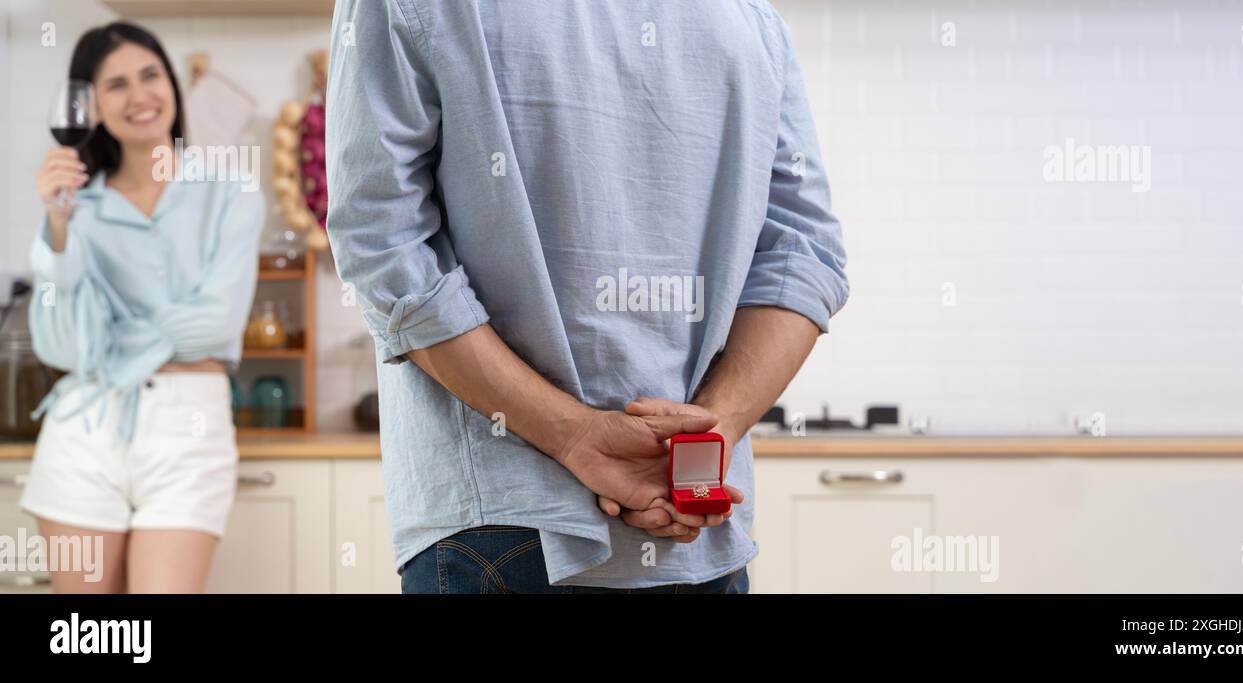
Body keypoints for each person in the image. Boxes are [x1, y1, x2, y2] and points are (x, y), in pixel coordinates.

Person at [326, 0, 848, 593]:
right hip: (692, 516)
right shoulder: (748, 16)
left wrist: (575, 435)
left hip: (503, 521)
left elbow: (382, 243)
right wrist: (709, 433)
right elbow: (804, 254)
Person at [20, 22, 264, 593]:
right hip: (84, 427)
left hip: (189, 426)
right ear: (93, 106)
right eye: (117, 85)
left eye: (150, 75)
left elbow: (215, 324)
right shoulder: (76, 205)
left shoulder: (228, 192)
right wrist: (58, 225)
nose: (140, 96)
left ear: (172, 85)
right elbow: (60, 345)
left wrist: (111, 339)